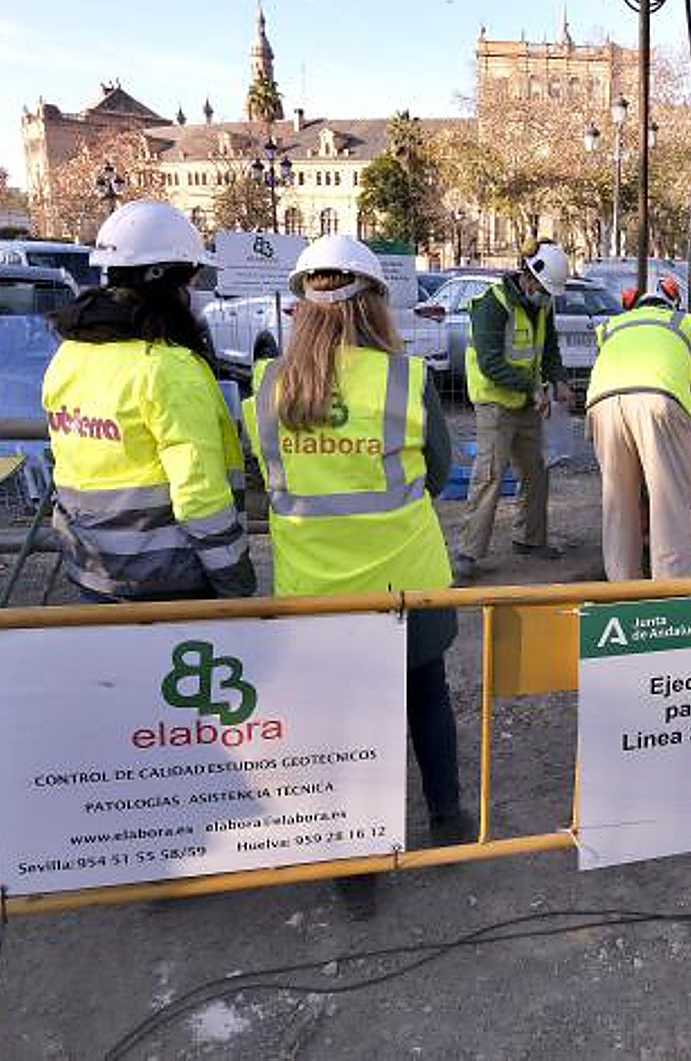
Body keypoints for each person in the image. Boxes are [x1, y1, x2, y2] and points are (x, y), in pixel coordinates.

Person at [243, 234, 473, 917]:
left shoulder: (267, 388)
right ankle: (449, 821)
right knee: (426, 698)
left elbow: (265, 482)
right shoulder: (406, 381)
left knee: (340, 726)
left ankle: (356, 865)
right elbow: (436, 473)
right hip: (408, 585)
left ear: (299, 306)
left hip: (315, 594)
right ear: (375, 303)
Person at [42, 200, 255, 603]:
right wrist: (234, 580)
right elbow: (200, 496)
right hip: (168, 583)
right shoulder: (168, 368)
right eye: (191, 279)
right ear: (167, 280)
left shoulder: (70, 354)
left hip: (93, 572)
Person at [453, 241, 573, 581]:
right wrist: (533, 388)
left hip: (527, 403)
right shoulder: (493, 304)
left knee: (536, 471)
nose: (546, 296)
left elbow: (549, 350)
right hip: (494, 404)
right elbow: (491, 363)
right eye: (543, 288)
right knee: (489, 476)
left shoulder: (544, 305)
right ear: (528, 277)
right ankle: (468, 552)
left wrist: (559, 380)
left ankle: (530, 539)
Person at [585, 275, 691, 581]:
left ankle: (622, 591)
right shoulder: (687, 325)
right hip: (659, 401)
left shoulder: (613, 327)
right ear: (674, 303)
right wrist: (690, 440)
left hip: (602, 407)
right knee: (669, 508)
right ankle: (671, 602)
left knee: (618, 505)